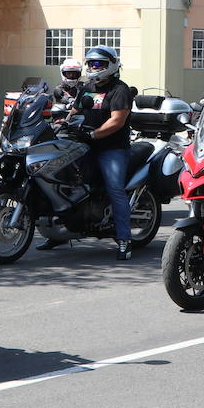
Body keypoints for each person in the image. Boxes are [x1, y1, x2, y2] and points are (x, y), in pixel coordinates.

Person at [76, 45, 135, 261]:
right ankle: (59, 232)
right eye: (91, 63)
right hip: (84, 144)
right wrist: (60, 121)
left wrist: (94, 135)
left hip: (112, 148)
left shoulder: (120, 89)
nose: (93, 67)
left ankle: (124, 240)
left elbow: (117, 121)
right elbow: (75, 110)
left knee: (115, 189)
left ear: (111, 65)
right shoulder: (87, 86)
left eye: (98, 63)